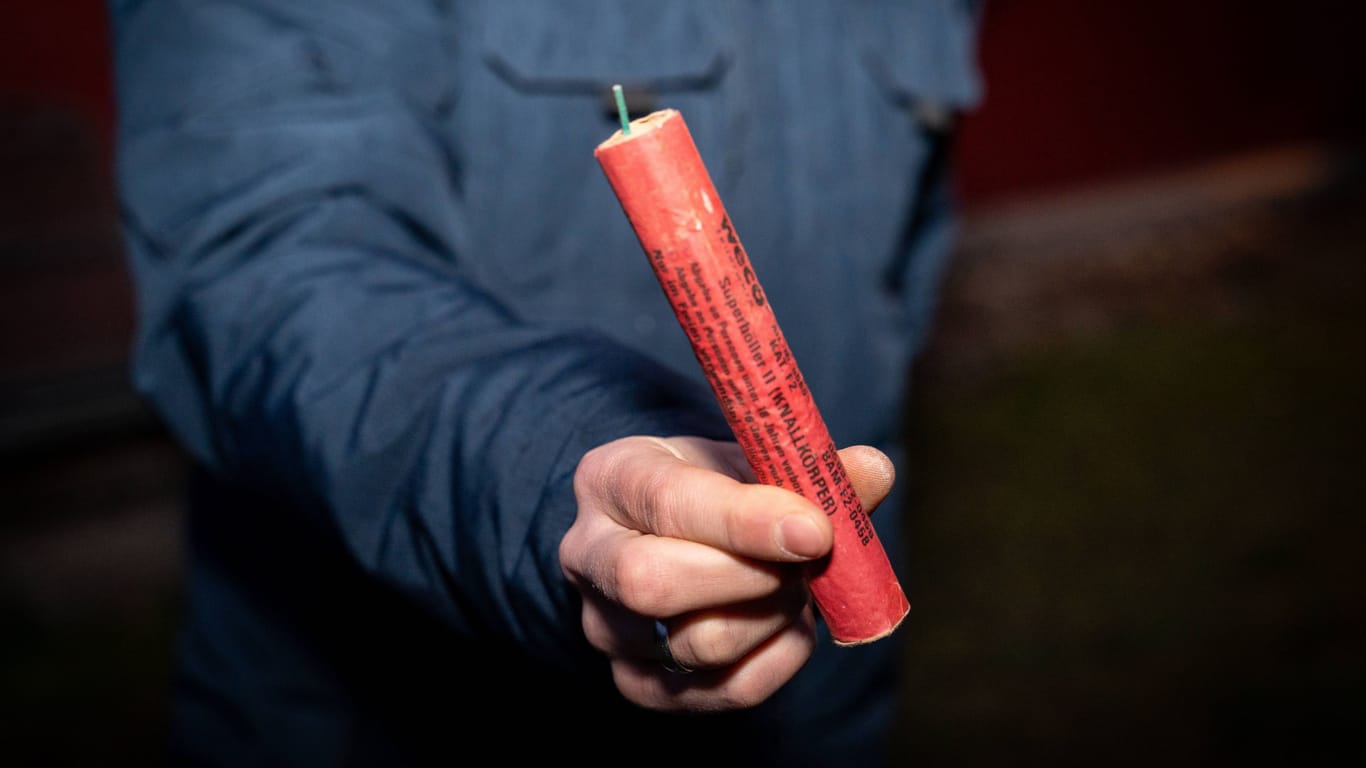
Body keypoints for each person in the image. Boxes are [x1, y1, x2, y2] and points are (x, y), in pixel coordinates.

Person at [109, 2, 981, 765]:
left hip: (814, 703)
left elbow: (892, 274)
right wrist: (560, 476)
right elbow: (272, 276)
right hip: (400, 713)